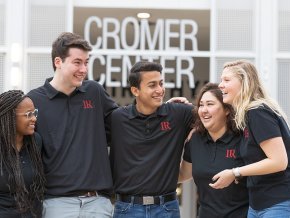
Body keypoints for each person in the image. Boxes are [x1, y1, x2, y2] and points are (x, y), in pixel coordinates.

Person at [27, 32, 118, 218]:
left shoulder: (94, 92)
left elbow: (126, 123)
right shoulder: (34, 100)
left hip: (98, 203)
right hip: (55, 204)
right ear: (58, 62)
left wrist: (164, 109)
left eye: (86, 62)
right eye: (77, 62)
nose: (84, 69)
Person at [109, 61, 194, 218]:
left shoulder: (179, 114)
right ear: (135, 90)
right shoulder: (118, 119)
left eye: (161, 83)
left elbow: (213, 119)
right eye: (152, 85)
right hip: (127, 209)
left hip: (166, 209)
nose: (160, 90)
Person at [211, 60, 290, 217]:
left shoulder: (258, 112)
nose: (220, 85)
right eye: (221, 80)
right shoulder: (246, 116)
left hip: (276, 204)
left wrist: (235, 172)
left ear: (244, 82)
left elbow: (279, 161)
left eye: (226, 80)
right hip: (257, 206)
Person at [178, 83, 249, 218]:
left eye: (210, 104)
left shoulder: (243, 139)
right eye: (201, 105)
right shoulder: (195, 140)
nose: (204, 110)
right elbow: (183, 175)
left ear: (227, 109)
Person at [0, 90, 45, 218]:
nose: (34, 118)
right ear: (10, 117)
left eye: (34, 113)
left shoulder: (36, 141)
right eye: (28, 114)